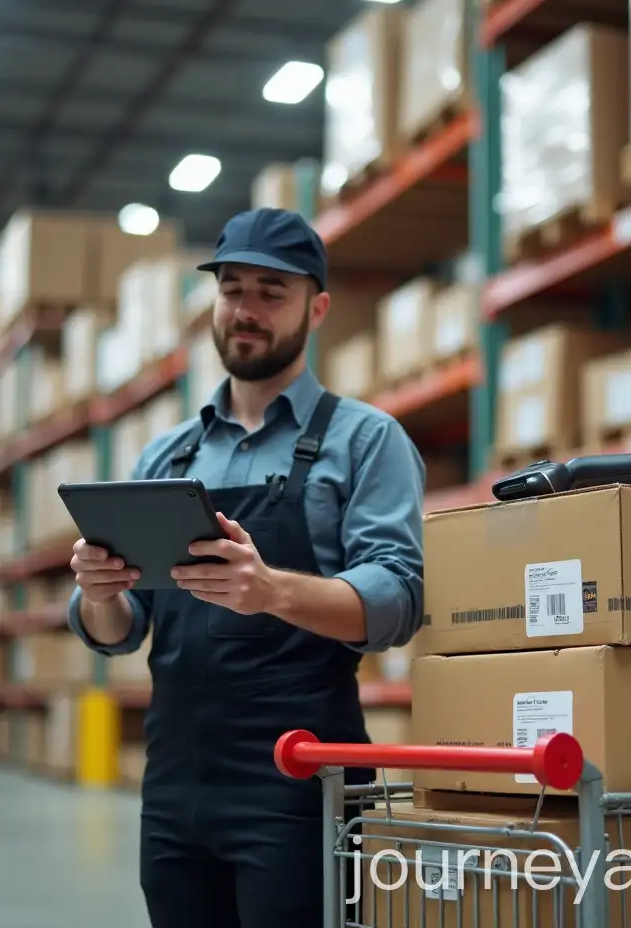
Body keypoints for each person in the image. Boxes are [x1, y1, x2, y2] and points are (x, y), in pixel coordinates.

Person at [66, 207, 425, 928]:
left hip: (300, 781)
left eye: (271, 292)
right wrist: (99, 593)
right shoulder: (167, 458)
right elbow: (121, 630)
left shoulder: (363, 440)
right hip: (175, 786)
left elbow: (398, 599)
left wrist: (271, 591)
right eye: (233, 290)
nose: (247, 311)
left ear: (316, 308)